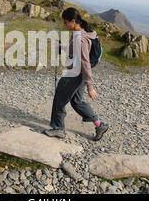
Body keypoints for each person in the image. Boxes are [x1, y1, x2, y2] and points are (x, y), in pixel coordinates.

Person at [43, 7, 109, 141]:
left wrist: (90, 87)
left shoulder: (81, 38)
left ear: (73, 21)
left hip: (76, 74)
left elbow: (85, 62)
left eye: (66, 22)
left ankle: (58, 129)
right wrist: (62, 47)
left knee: (60, 98)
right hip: (79, 74)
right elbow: (76, 52)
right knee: (76, 101)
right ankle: (99, 125)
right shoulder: (83, 31)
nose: (65, 25)